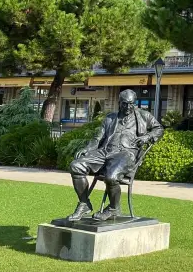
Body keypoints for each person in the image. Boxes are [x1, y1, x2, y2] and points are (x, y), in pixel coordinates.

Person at [67, 89, 164, 221]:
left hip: (126, 154)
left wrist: (147, 137)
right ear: (119, 103)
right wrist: (88, 148)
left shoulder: (143, 116)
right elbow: (97, 138)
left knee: (111, 177)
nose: (128, 107)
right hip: (105, 152)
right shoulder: (110, 118)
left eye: (131, 104)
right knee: (76, 166)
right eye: (125, 104)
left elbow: (159, 129)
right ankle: (84, 204)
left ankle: (114, 209)